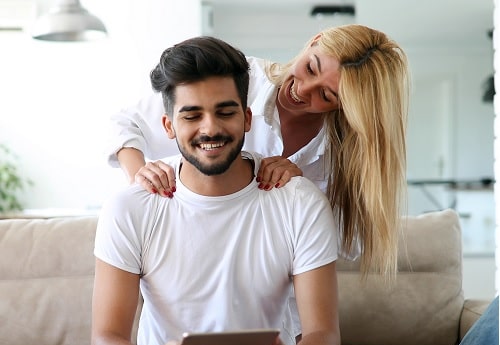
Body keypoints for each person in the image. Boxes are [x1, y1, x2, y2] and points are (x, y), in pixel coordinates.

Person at [50, 36, 396, 345]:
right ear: (167, 126)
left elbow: (323, 332)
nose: (210, 128)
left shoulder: (300, 198)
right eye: (192, 115)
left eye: (226, 112)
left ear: (247, 118)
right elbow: (105, 340)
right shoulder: (131, 206)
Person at [108, 24, 410, 282]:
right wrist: (140, 178)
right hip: (197, 267)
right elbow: (125, 122)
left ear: (347, 107)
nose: (303, 90)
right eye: (310, 68)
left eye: (326, 95)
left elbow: (350, 244)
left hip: (280, 298)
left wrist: (298, 190)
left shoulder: (341, 153)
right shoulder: (239, 79)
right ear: (314, 41)